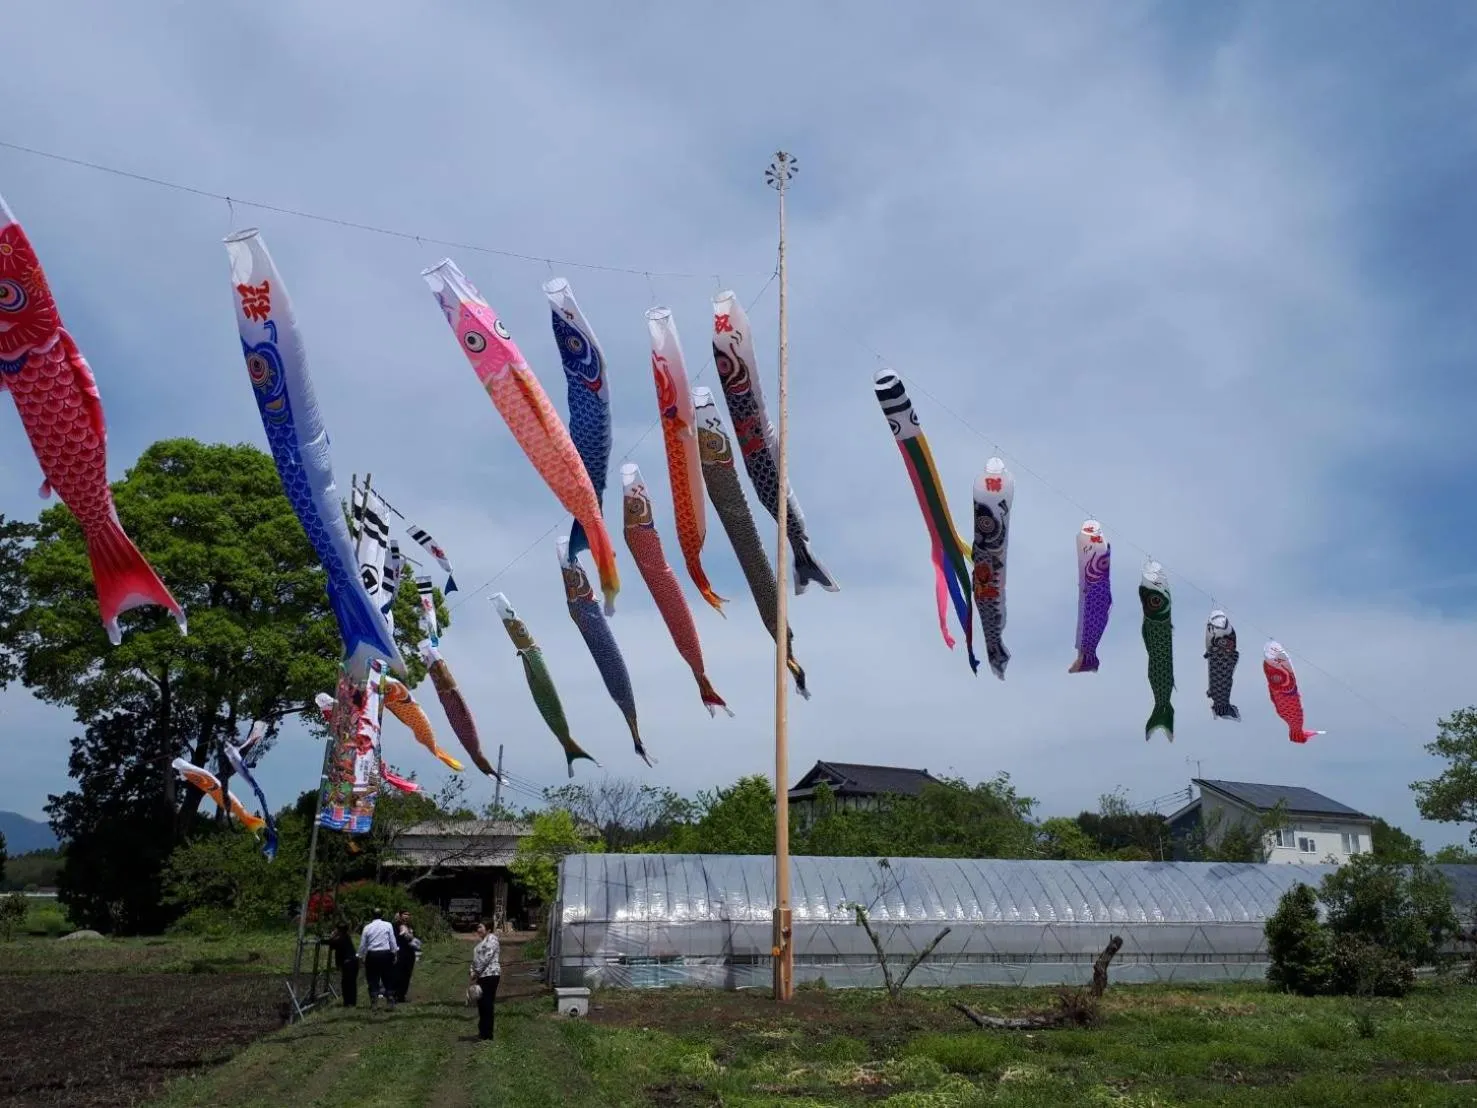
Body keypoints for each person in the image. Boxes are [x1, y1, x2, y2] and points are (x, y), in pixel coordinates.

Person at [358, 908, 398, 1009]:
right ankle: (389, 999)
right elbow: (392, 940)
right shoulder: (388, 925)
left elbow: (363, 944)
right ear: (382, 915)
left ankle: (374, 1001)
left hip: (373, 955)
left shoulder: (367, 927)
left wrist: (360, 956)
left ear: (372, 915)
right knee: (388, 977)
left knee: (372, 978)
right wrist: (395, 953)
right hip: (385, 954)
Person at [469, 920, 501, 1041]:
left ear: (488, 929)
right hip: (482, 975)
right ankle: (483, 1032)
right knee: (481, 1004)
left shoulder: (492, 939)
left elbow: (485, 958)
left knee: (487, 1004)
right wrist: (472, 970)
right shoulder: (482, 942)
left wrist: (475, 971)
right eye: (478, 927)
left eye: (480, 927)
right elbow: (476, 959)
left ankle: (487, 1034)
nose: (478, 929)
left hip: (490, 975)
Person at [325, 922, 359, 1007]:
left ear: (338, 930)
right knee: (351, 983)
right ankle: (351, 1002)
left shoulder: (340, 939)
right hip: (353, 962)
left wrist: (332, 936)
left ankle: (348, 1002)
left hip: (348, 963)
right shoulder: (346, 937)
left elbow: (331, 944)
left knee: (347, 983)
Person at [393, 911, 418, 1002]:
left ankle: (402, 995)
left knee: (406, 975)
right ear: (400, 916)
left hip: (409, 953)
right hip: (399, 952)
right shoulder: (395, 926)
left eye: (408, 915)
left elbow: (415, 938)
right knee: (397, 974)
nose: (407, 916)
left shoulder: (410, 926)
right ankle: (395, 994)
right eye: (405, 914)